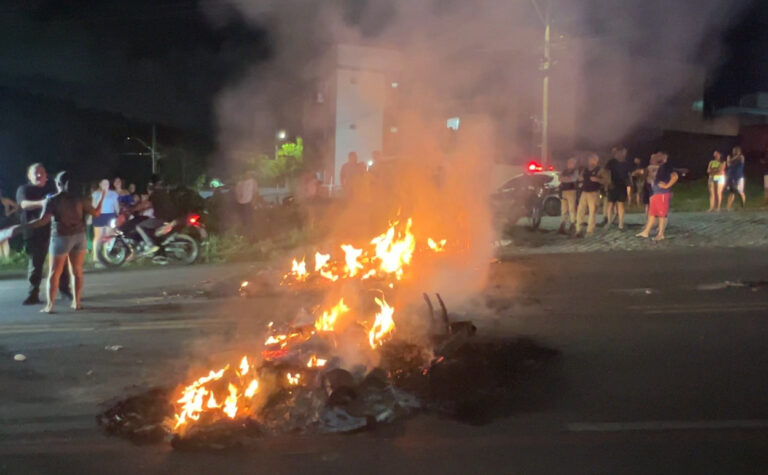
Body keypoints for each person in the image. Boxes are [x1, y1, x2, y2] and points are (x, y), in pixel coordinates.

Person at [5, 172, 106, 313]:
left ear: (57, 184)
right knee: (77, 271)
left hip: (61, 237)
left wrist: (21, 227)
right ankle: (77, 303)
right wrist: (103, 196)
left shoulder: (53, 200)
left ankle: (50, 306)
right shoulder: (80, 199)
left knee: (54, 273)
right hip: (79, 236)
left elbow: (42, 221)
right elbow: (96, 213)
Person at [16, 164, 72, 305]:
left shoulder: (52, 189)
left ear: (47, 175)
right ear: (29, 176)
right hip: (34, 231)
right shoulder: (24, 189)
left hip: (54, 230)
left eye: (41, 172)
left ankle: (65, 291)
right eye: (35, 173)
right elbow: (24, 204)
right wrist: (43, 202)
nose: (39, 175)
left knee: (61, 263)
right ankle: (33, 294)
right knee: (36, 264)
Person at [637, 152, 678, 241]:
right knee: (652, 214)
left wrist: (667, 186)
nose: (656, 157)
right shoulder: (661, 167)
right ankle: (646, 232)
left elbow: (675, 176)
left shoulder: (667, 166)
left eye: (659, 155)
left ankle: (661, 234)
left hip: (662, 193)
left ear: (664, 157)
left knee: (662, 215)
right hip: (656, 193)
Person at [91, 178, 120, 262]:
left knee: (108, 236)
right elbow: (94, 205)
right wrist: (101, 196)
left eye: (107, 183)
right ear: (100, 184)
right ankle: (95, 256)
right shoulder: (96, 193)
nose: (105, 185)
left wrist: (118, 215)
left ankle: (106, 255)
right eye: (103, 183)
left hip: (110, 216)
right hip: (99, 215)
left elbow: (116, 205)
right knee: (98, 237)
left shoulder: (113, 194)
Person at [575, 154, 603, 237]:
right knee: (580, 210)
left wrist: (597, 179)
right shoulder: (585, 169)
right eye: (589, 160)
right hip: (584, 192)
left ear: (596, 160)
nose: (590, 161)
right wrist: (580, 178)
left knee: (592, 211)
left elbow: (605, 180)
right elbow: (580, 177)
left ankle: (590, 230)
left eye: (592, 160)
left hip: (594, 192)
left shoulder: (599, 170)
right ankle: (578, 229)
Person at [604, 146, 631, 229]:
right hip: (612, 185)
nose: (620, 154)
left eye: (621, 153)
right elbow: (606, 172)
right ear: (616, 153)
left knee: (620, 205)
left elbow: (629, 175)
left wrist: (629, 186)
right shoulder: (611, 162)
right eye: (618, 153)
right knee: (610, 204)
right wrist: (608, 182)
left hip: (622, 186)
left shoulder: (626, 163)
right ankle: (609, 222)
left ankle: (620, 224)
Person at [557, 157, 579, 235]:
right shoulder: (564, 171)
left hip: (571, 191)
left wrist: (564, 179)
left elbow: (573, 179)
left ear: (574, 164)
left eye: (571, 163)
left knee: (571, 209)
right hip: (564, 191)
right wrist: (566, 178)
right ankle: (563, 225)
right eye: (569, 163)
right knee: (564, 209)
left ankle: (573, 224)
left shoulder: (575, 171)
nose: (569, 164)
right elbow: (559, 178)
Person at [0, 186, 19, 259]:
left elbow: (16, 206)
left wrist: (9, 212)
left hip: (4, 221)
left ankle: (6, 258)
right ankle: (2, 259)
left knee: (5, 239)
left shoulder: (5, 200)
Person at [726, 146, 746, 210]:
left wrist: (736, 157)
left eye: (736, 151)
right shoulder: (729, 157)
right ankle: (728, 207)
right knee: (732, 192)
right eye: (734, 151)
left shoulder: (741, 157)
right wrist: (733, 158)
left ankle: (743, 205)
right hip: (732, 177)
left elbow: (741, 159)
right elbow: (728, 163)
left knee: (740, 191)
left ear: (739, 152)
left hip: (739, 177)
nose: (735, 152)